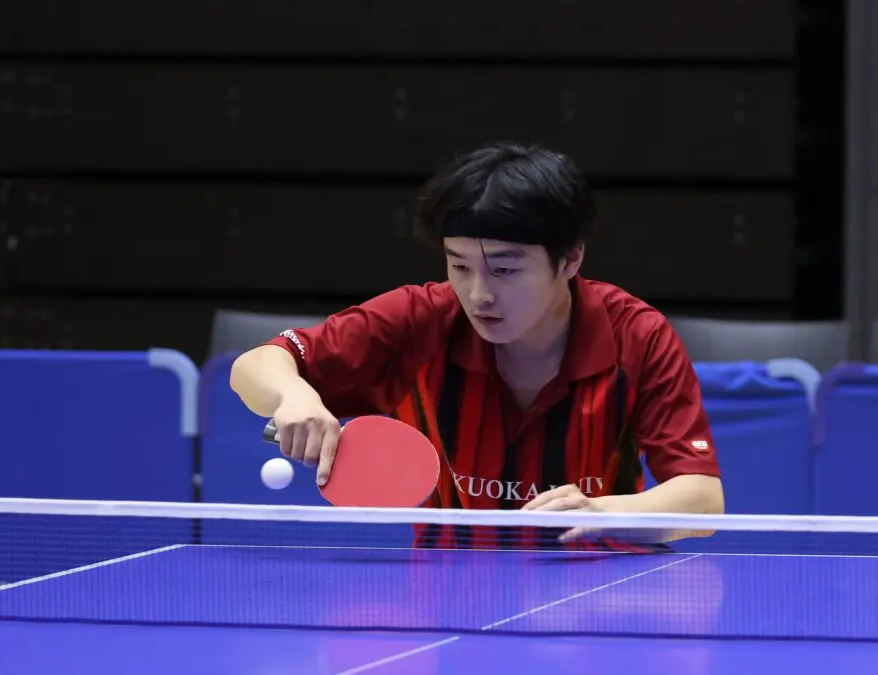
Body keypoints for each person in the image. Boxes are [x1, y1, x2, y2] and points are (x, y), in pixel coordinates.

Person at [230, 142, 724, 550]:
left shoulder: (637, 335)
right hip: (449, 598)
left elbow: (703, 503)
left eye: (505, 269)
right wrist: (293, 394)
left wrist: (604, 511)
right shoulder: (421, 319)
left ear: (571, 259)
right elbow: (256, 365)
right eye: (460, 266)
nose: (479, 294)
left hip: (596, 595)